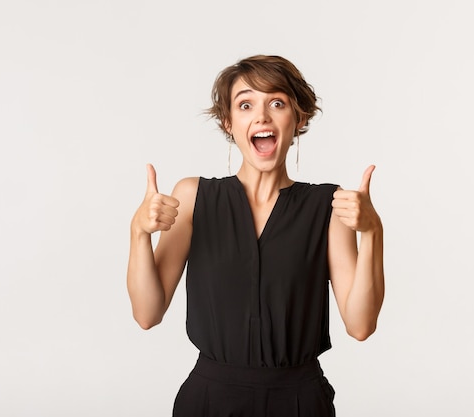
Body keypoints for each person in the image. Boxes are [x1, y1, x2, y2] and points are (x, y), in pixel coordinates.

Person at [127, 54, 384, 416]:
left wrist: (373, 231)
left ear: (299, 118)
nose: (261, 116)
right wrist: (138, 232)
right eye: (245, 105)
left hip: (299, 403)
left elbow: (360, 326)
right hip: (209, 402)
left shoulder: (328, 206)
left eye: (276, 103)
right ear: (229, 123)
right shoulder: (192, 197)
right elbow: (146, 314)